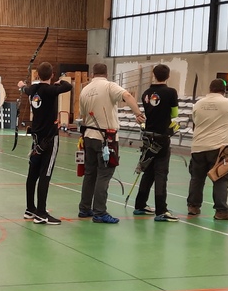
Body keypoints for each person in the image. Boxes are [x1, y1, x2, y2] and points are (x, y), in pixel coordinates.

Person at [78, 63, 145, 224]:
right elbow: (127, 96)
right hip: (105, 138)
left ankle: (85, 208)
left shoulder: (85, 90)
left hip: (89, 136)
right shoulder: (109, 86)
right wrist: (138, 114)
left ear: (92, 74)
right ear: (106, 74)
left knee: (90, 173)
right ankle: (100, 212)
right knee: (104, 174)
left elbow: (83, 115)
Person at [17, 62, 72, 224]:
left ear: (37, 75)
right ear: (52, 75)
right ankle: (41, 213)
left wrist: (22, 85)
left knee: (32, 174)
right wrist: (60, 82)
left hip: (36, 139)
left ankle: (30, 209)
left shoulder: (33, 89)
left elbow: (25, 89)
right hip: (49, 139)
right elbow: (68, 86)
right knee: (45, 175)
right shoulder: (51, 90)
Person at [186, 79, 228, 220]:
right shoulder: (227, 103)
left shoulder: (198, 104)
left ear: (210, 88)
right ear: (224, 90)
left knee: (197, 178)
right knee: (221, 179)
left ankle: (193, 206)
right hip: (219, 147)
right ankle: (221, 211)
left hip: (198, 146)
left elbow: (195, 121)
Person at [133, 64, 179, 222]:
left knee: (149, 171)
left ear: (153, 75)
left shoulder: (146, 93)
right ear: (168, 76)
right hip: (161, 137)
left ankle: (140, 204)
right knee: (161, 173)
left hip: (148, 136)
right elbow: (174, 113)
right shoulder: (170, 92)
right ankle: (161, 210)